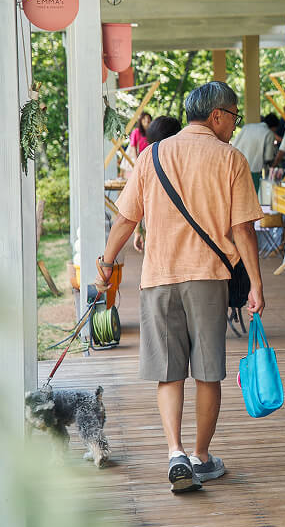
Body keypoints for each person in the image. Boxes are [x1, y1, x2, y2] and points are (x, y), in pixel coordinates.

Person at [95, 81, 266, 494]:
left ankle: (175, 452)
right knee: (208, 373)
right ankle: (201, 457)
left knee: (168, 373)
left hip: (158, 278)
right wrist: (257, 285)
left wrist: (105, 264)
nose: (234, 126)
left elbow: (125, 220)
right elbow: (242, 229)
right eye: (234, 118)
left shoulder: (151, 155)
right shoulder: (231, 159)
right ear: (218, 116)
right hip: (207, 278)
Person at [131, 116, 183, 252]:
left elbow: (134, 208)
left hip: (156, 240)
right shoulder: (187, 163)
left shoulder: (147, 163)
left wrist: (138, 231)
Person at [231, 112, 280, 191]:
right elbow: (268, 157)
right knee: (252, 197)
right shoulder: (269, 133)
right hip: (253, 171)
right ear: (274, 127)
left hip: (235, 166)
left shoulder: (247, 127)